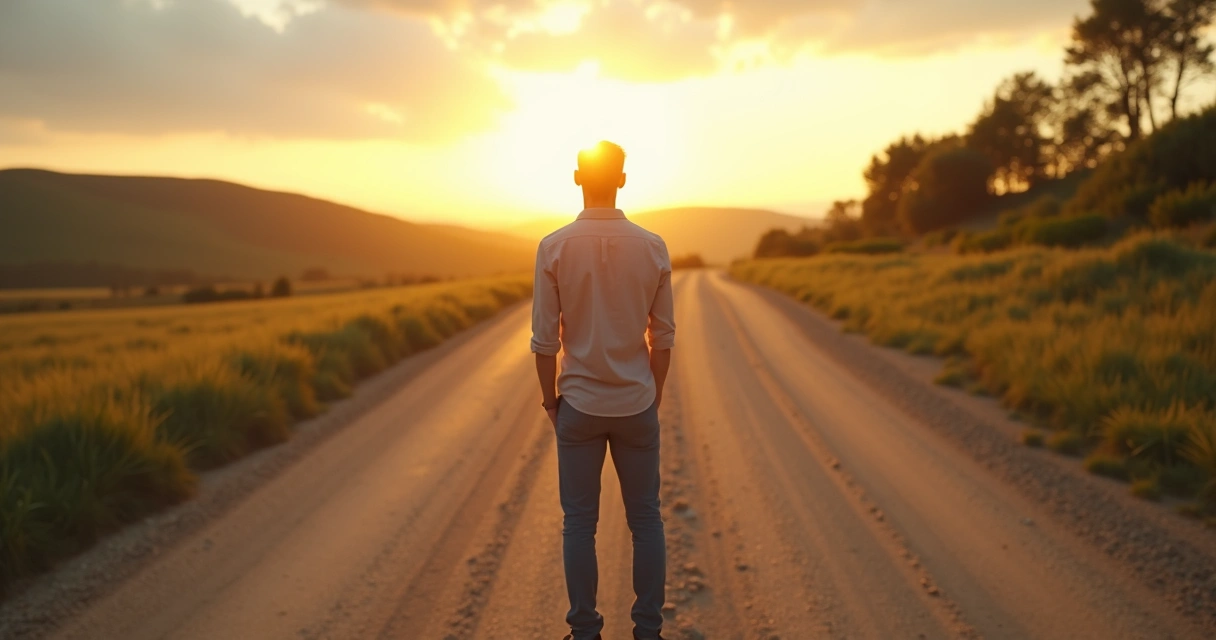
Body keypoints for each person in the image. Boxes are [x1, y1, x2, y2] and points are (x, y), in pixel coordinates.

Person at [531, 140, 675, 640]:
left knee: (579, 524)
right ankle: (648, 631)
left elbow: (544, 343)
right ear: (622, 180)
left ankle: (586, 631)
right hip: (636, 402)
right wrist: (651, 396)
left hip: (579, 404)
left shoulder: (553, 247)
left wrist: (552, 402)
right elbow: (664, 338)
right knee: (646, 519)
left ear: (577, 178)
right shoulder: (653, 246)